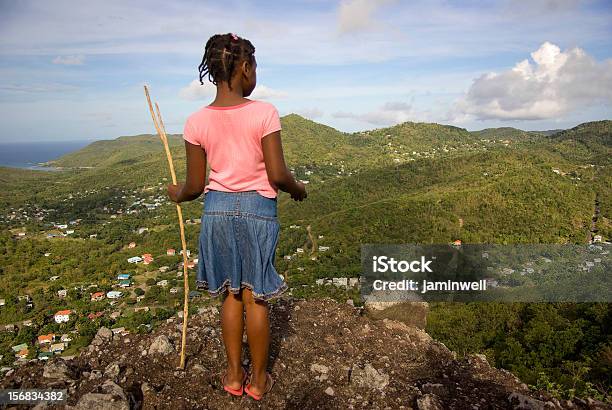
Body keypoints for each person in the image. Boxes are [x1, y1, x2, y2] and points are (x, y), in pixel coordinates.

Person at [167, 32, 307, 401]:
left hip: (216, 212)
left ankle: (233, 375)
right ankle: (259, 381)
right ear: (245, 68)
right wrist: (298, 188)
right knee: (255, 297)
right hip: (258, 211)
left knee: (230, 294)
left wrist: (176, 194)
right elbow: (277, 174)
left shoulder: (195, 121)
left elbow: (195, 185)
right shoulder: (264, 112)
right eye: (255, 66)